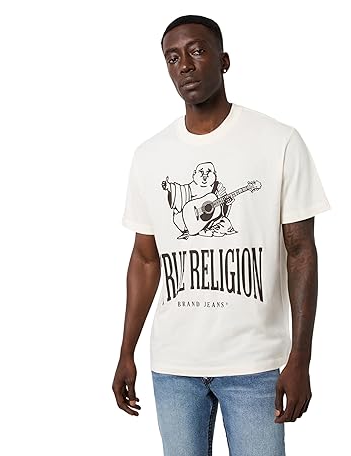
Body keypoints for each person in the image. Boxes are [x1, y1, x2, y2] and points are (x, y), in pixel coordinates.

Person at [112, 14, 331, 456]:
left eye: (197, 51)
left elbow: (301, 252)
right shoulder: (150, 155)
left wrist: (300, 358)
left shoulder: (279, 141)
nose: (185, 66)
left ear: (224, 60)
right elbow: (145, 258)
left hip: (255, 365)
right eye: (173, 58)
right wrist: (125, 351)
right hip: (174, 367)